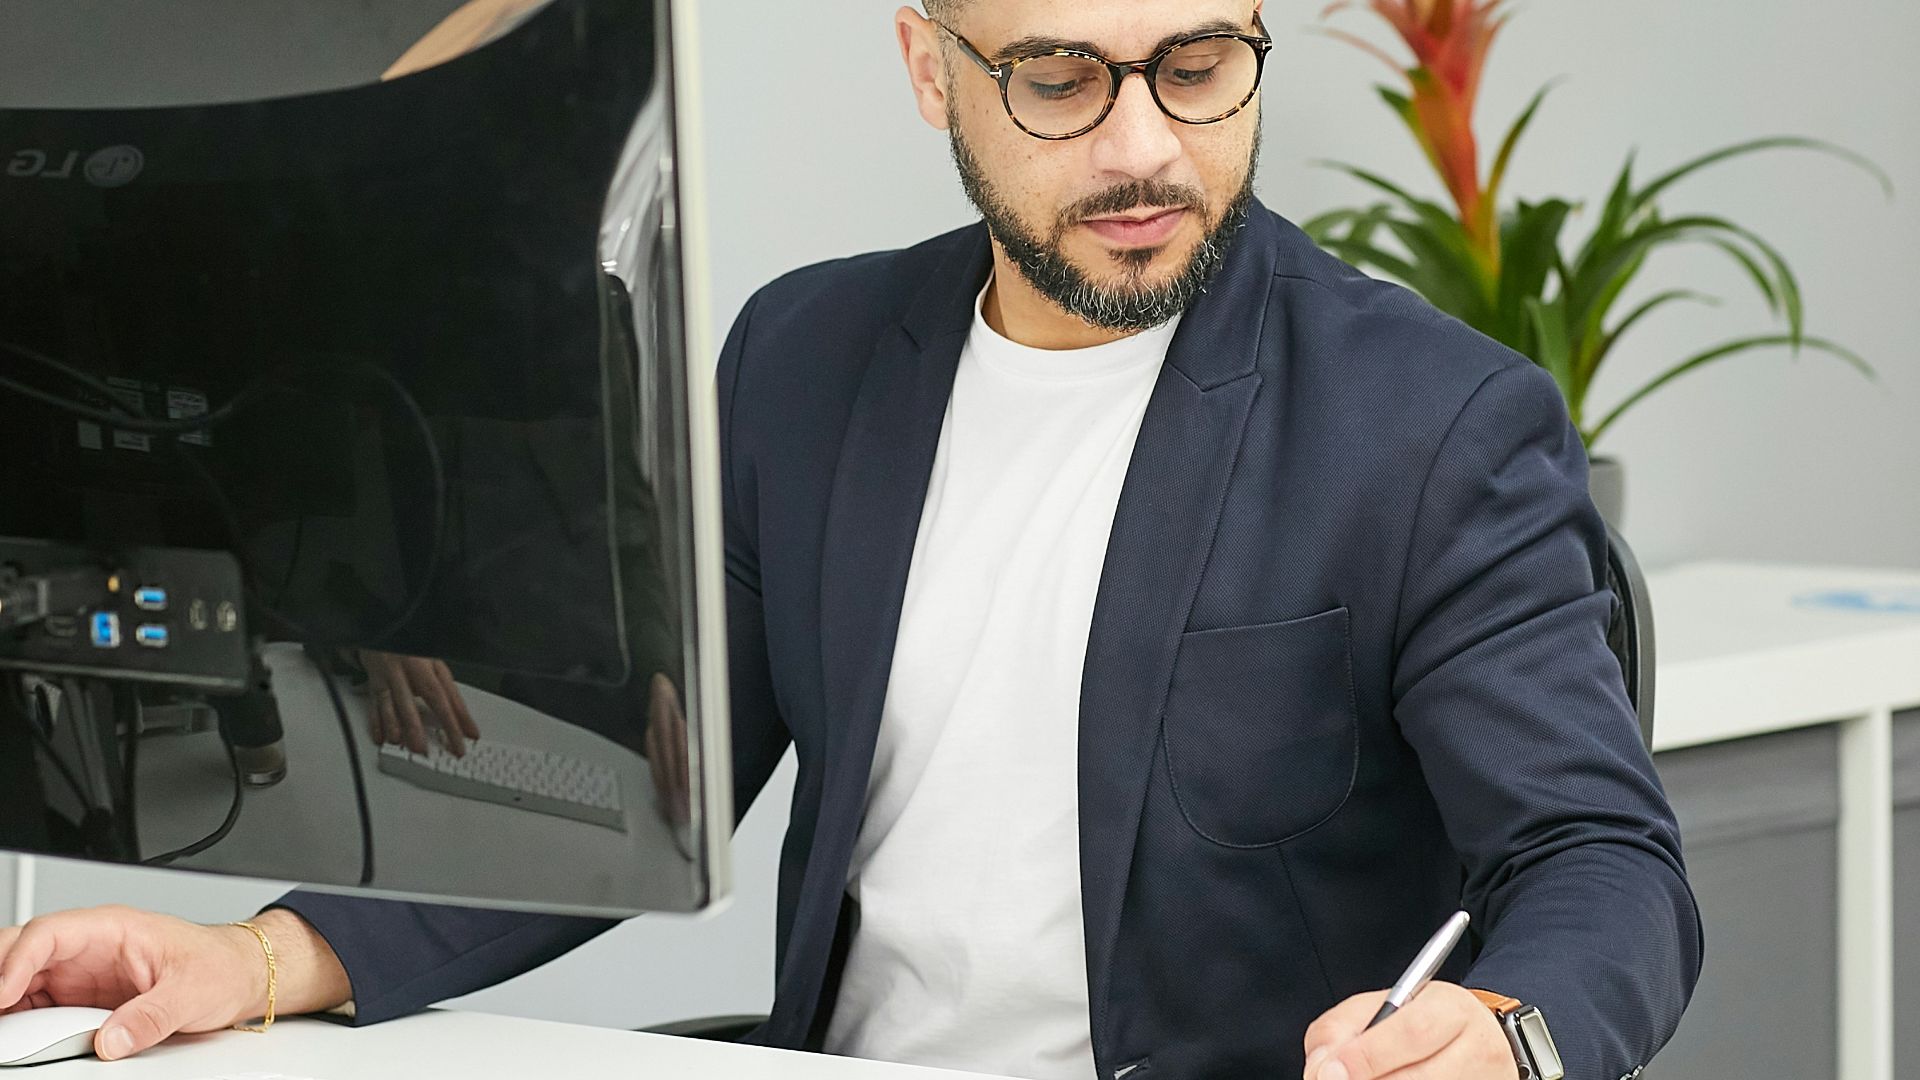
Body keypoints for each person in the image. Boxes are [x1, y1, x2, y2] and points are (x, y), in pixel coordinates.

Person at [0, 2, 1704, 1078]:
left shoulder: (1427, 424)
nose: (1142, 145)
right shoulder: (807, 359)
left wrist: (1512, 1038)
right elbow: (644, 791)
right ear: (926, 65)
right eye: (1058, 76)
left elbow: (1599, 862)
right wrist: (265, 956)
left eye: (1198, 66)